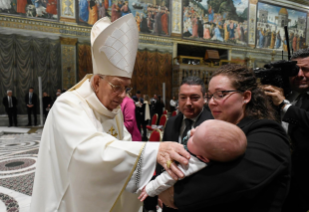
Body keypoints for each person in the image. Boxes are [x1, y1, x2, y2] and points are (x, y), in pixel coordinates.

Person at [30, 14, 191, 212]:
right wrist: (153, 151)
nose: (123, 96)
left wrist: (153, 187)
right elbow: (86, 152)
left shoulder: (113, 111)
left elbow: (124, 153)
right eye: (117, 86)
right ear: (97, 82)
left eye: (127, 88)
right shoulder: (68, 105)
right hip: (72, 200)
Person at [159, 64, 291, 212]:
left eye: (221, 94)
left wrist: (174, 192)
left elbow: (238, 178)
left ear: (246, 96)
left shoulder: (269, 134)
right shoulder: (216, 129)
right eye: (209, 96)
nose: (211, 102)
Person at [262, 49, 309, 212]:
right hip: (282, 177)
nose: (300, 74)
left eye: (307, 69)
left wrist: (284, 105)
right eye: (295, 70)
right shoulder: (287, 92)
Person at [138, 119, 247, 201]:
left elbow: (168, 177)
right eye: (198, 128)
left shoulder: (192, 163)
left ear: (202, 158)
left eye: (194, 138)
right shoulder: (203, 146)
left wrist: (150, 189)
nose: (192, 132)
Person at [160, 76, 214, 212]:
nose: (188, 103)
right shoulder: (172, 122)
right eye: (183, 97)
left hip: (199, 198)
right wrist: (161, 189)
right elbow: (163, 156)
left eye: (194, 98)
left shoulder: (214, 124)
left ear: (205, 98)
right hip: (170, 193)